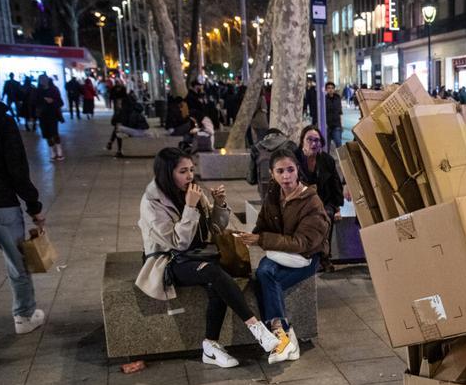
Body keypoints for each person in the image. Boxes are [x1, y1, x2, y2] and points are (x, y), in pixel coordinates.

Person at [136, 148, 288, 368]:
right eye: (182, 171)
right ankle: (259, 331)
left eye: (191, 170)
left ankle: (210, 345)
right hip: (169, 261)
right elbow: (179, 243)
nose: (189, 176)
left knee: (217, 282)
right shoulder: (152, 202)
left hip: (198, 255)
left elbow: (215, 228)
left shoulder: (191, 190)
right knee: (213, 273)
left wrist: (219, 204)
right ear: (167, 173)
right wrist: (189, 207)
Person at [235, 147, 329, 363]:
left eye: (290, 170)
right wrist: (249, 237)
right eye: (280, 171)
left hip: (307, 257)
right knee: (265, 273)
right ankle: (286, 336)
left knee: (266, 277)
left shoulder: (311, 202)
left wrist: (261, 240)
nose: (286, 176)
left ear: (298, 170)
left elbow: (302, 243)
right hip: (280, 254)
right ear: (272, 173)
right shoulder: (273, 194)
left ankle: (280, 334)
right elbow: (262, 225)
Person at [0, 96, 48, 350]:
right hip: (1, 204)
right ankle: (23, 316)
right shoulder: (0, 117)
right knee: (16, 263)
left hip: (1, 202)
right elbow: (16, 166)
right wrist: (33, 206)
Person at [294, 125, 344, 221]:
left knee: (324, 216)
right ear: (302, 141)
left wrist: (337, 208)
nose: (313, 143)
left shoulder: (327, 160)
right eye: (309, 139)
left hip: (323, 204)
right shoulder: (294, 159)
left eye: (317, 140)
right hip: (300, 204)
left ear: (321, 143)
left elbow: (335, 185)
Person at [36, 76, 65, 161]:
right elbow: (34, 102)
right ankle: (52, 151)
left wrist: (52, 101)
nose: (43, 82)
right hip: (42, 115)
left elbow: (60, 102)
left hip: (52, 114)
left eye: (44, 80)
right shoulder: (38, 91)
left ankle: (59, 151)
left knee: (54, 132)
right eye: (41, 80)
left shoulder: (54, 90)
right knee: (46, 134)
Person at [324, 81, 343, 150]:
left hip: (336, 125)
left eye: (332, 88)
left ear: (334, 89)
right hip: (327, 126)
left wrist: (341, 125)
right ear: (326, 89)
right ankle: (327, 159)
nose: (330, 89)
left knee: (338, 143)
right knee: (326, 146)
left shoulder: (338, 98)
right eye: (328, 88)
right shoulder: (324, 99)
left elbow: (340, 112)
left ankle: (342, 159)